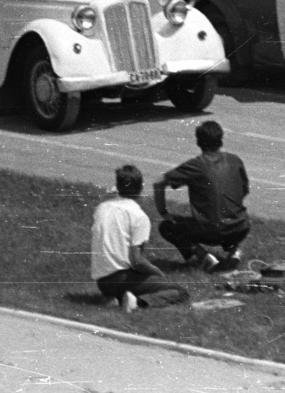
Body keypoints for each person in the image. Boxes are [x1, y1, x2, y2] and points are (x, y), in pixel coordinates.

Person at [153, 121, 250, 272]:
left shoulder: (197, 165)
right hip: (241, 226)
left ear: (198, 142)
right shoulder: (235, 160)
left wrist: (164, 212)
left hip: (213, 230)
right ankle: (234, 250)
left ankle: (202, 256)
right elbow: (243, 191)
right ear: (221, 140)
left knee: (167, 227)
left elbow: (159, 183)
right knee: (225, 220)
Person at [91, 165, 189, 311]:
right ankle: (137, 303)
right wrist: (157, 273)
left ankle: (114, 297)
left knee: (132, 280)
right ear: (141, 188)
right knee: (180, 291)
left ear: (117, 186)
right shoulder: (138, 216)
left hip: (102, 281)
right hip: (120, 277)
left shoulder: (101, 208)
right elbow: (137, 261)